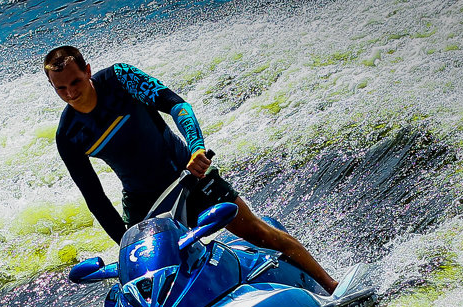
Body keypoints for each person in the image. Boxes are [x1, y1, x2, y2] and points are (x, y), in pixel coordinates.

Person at [44, 45, 337, 293]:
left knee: (259, 233)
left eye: (76, 82)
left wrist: (196, 147)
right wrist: (124, 245)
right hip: (145, 204)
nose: (70, 93)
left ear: (88, 70)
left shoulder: (121, 79)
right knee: (148, 283)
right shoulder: (68, 135)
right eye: (61, 89)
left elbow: (178, 106)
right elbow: (94, 198)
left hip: (188, 178)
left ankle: (332, 287)